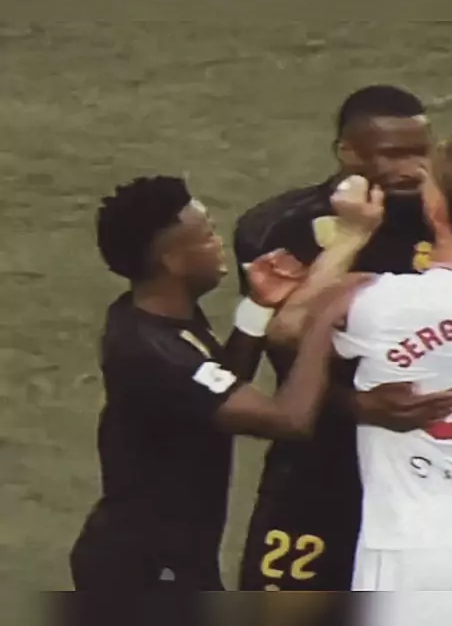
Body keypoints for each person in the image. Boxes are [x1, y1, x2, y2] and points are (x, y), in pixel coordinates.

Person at [69, 174, 389, 590]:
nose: (218, 243)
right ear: (172, 260)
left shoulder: (156, 318)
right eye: (206, 236)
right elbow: (289, 419)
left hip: (169, 558)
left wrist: (258, 307)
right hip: (143, 571)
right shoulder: (156, 354)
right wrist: (321, 321)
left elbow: (218, 386)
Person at [235, 85, 447, 591]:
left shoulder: (451, 223)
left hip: (429, 469)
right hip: (321, 467)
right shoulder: (282, 228)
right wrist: (355, 404)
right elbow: (283, 349)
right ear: (348, 152)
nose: (413, 168)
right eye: (393, 154)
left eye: (421, 151)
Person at [332, 139, 452, 590]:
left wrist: (351, 235)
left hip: (414, 547)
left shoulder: (380, 302)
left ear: (435, 210)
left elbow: (288, 328)